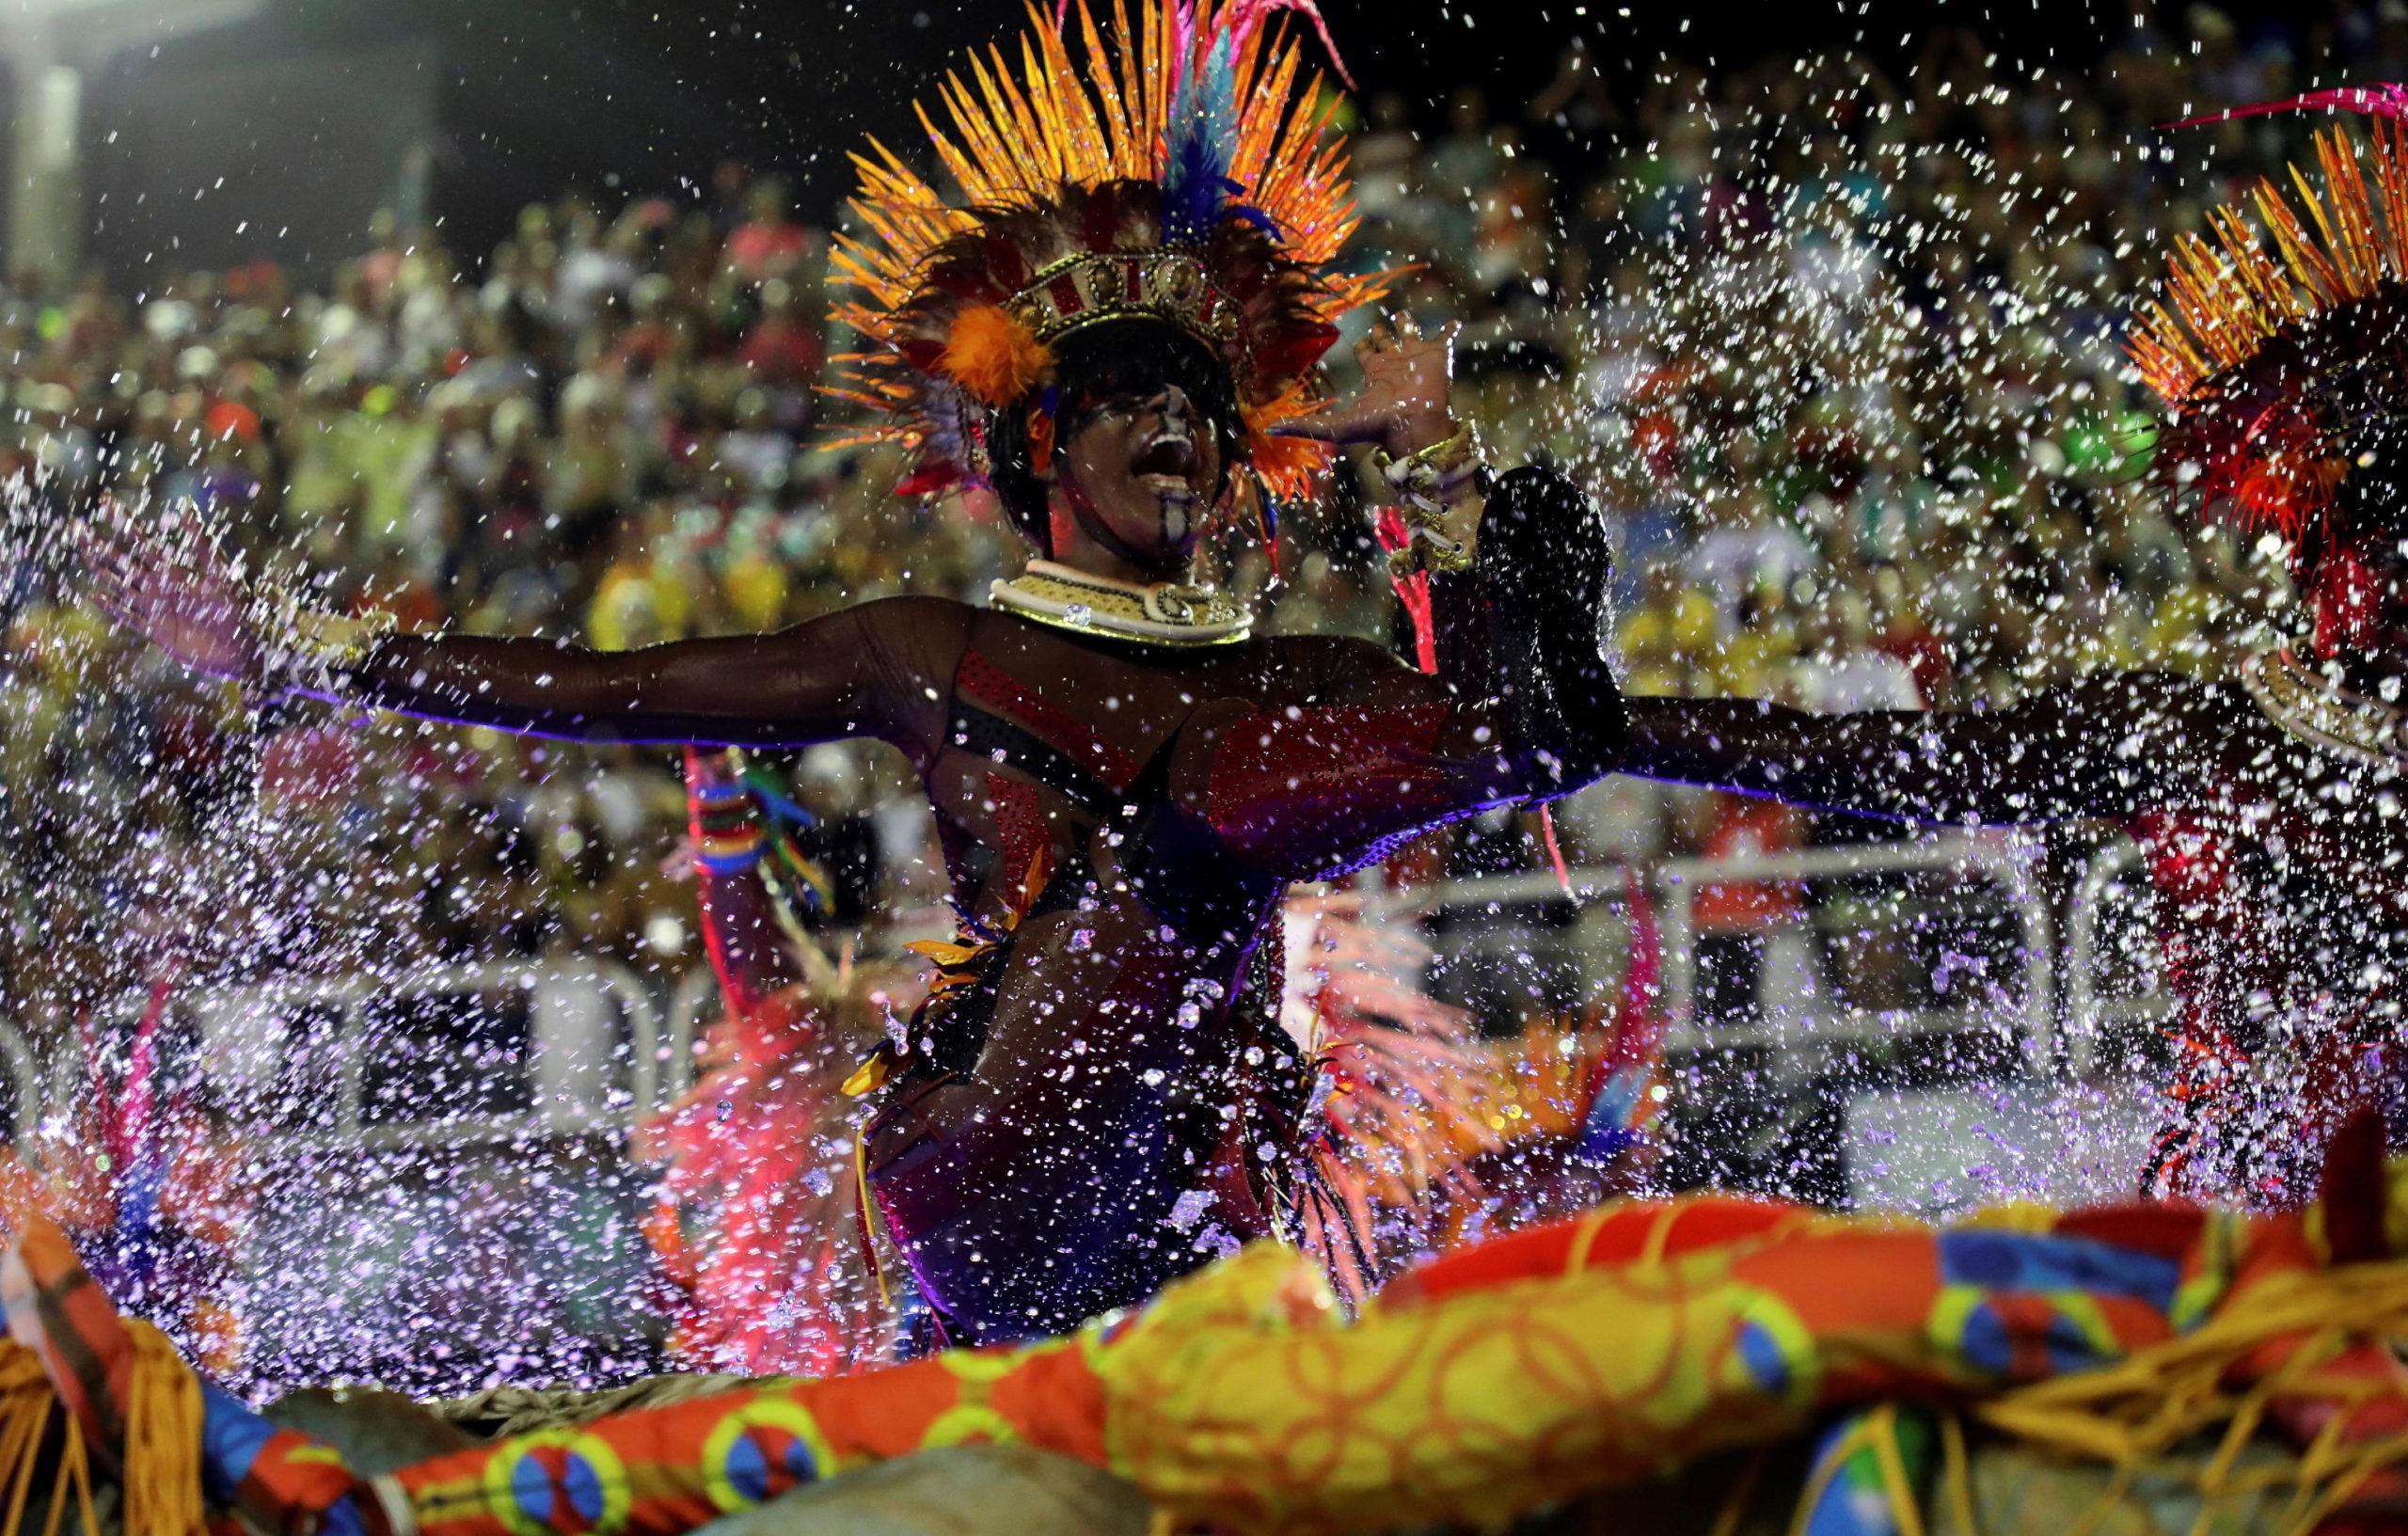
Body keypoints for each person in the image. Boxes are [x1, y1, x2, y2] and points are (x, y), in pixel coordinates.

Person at [75, 0, 1623, 1343]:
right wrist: (304, 649)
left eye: (1197, 403)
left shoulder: (1294, 671)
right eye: (1124, 393)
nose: (1173, 423)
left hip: (1226, 1210)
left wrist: (1428, 448)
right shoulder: (930, 652)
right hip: (1010, 1227)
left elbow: (1493, 734)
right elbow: (606, 686)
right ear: (1035, 448)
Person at [1618, 110, 2408, 1206]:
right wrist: (1621, 729)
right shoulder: (2205, 733)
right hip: (2244, 1284)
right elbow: (1894, 760)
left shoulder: (2211, 731)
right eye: (2385, 523)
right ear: (2326, 543)